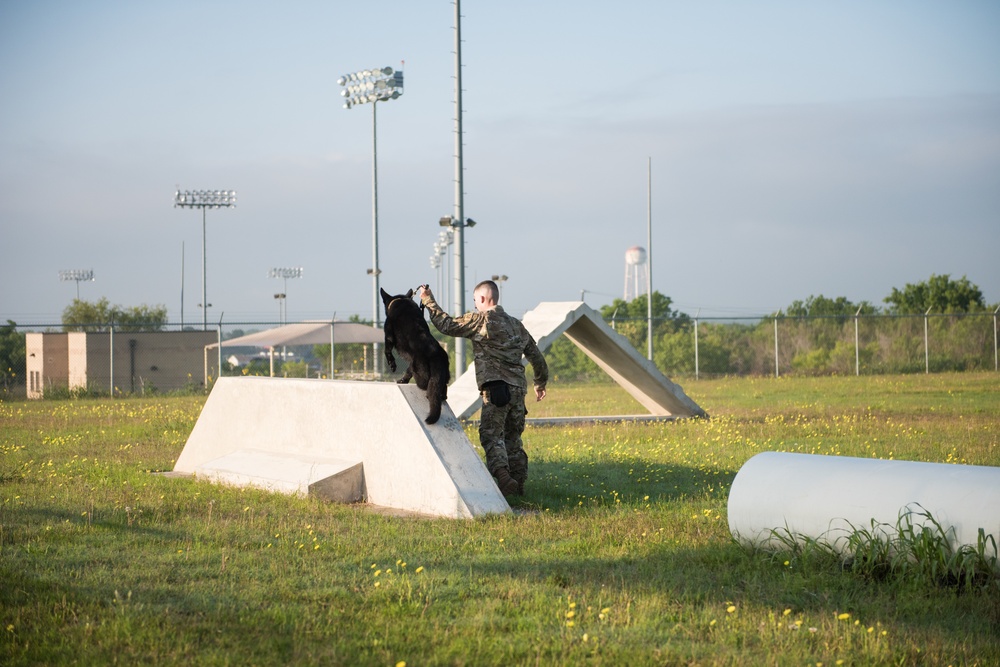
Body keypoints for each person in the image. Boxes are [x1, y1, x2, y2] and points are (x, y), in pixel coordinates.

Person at [418, 280, 548, 497]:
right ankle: (519, 486)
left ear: (482, 299)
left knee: (491, 435)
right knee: (513, 439)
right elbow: (537, 357)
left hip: (496, 390)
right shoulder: (517, 325)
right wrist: (540, 383)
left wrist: (427, 299)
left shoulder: (479, 320)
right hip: (518, 392)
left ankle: (504, 478)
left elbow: (446, 325)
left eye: (475, 300)